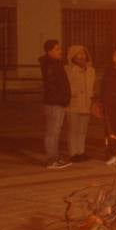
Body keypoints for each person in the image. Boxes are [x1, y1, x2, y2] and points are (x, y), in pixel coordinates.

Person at [40, 39, 71, 169]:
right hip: (54, 103)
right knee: (52, 132)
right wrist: (62, 99)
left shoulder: (55, 63)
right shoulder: (50, 65)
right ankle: (51, 160)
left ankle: (55, 157)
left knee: (55, 131)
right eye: (57, 49)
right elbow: (53, 85)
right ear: (50, 51)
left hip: (56, 102)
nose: (60, 51)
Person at [64, 45, 95, 162]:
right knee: (73, 130)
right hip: (73, 103)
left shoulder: (91, 70)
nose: (82, 56)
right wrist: (72, 93)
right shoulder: (68, 69)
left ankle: (81, 152)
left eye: (83, 53)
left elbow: (92, 86)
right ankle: (73, 153)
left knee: (83, 130)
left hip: (86, 104)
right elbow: (65, 86)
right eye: (79, 54)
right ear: (73, 56)